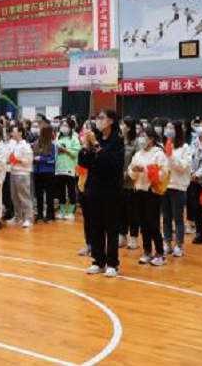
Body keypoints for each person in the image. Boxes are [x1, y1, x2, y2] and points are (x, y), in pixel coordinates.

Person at [79, 109, 124, 277]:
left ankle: (112, 263)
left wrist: (95, 144)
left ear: (111, 121)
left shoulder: (117, 141)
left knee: (111, 228)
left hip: (111, 190)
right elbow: (84, 163)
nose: (98, 120)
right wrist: (85, 146)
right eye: (97, 117)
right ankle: (98, 261)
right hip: (93, 189)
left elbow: (112, 163)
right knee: (95, 226)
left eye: (102, 118)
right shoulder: (94, 137)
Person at [128, 127, 169, 267]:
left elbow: (163, 173)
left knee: (153, 224)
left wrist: (144, 169)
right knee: (143, 224)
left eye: (144, 136)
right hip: (139, 190)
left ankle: (160, 253)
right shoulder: (137, 154)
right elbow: (131, 172)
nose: (141, 139)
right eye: (140, 136)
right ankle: (147, 251)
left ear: (151, 139)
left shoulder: (159, 154)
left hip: (152, 191)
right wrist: (134, 171)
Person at [162, 121, 191, 258]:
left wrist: (171, 156)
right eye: (167, 127)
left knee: (178, 218)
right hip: (164, 186)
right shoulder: (163, 146)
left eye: (171, 128)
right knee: (166, 218)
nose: (168, 130)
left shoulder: (184, 147)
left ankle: (179, 245)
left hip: (178, 187)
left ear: (177, 130)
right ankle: (167, 243)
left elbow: (184, 167)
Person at [119, 118, 139, 249]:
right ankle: (122, 235)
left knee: (132, 212)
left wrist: (125, 175)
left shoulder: (136, 143)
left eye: (123, 125)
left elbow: (137, 162)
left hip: (131, 183)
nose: (121, 126)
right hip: (117, 182)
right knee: (120, 211)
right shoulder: (118, 141)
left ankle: (134, 237)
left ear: (129, 128)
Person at [55, 118, 81, 221]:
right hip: (59, 167)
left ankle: (70, 212)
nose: (63, 127)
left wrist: (65, 150)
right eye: (62, 125)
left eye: (66, 125)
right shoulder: (58, 138)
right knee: (60, 191)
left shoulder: (74, 139)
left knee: (71, 190)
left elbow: (76, 153)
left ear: (70, 127)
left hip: (70, 168)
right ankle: (61, 211)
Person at [9, 125, 33, 228]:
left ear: (20, 133)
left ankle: (27, 218)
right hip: (13, 172)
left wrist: (17, 160)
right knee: (15, 197)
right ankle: (17, 217)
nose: (12, 134)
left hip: (22, 173)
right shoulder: (14, 145)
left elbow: (29, 160)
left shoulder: (25, 145)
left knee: (24, 197)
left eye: (14, 131)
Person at [34, 122, 57, 223]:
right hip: (37, 171)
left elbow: (53, 159)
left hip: (48, 172)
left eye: (40, 130)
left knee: (49, 195)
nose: (38, 131)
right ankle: (39, 214)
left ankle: (50, 215)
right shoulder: (36, 143)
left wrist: (41, 159)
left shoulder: (52, 145)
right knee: (38, 194)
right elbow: (33, 155)